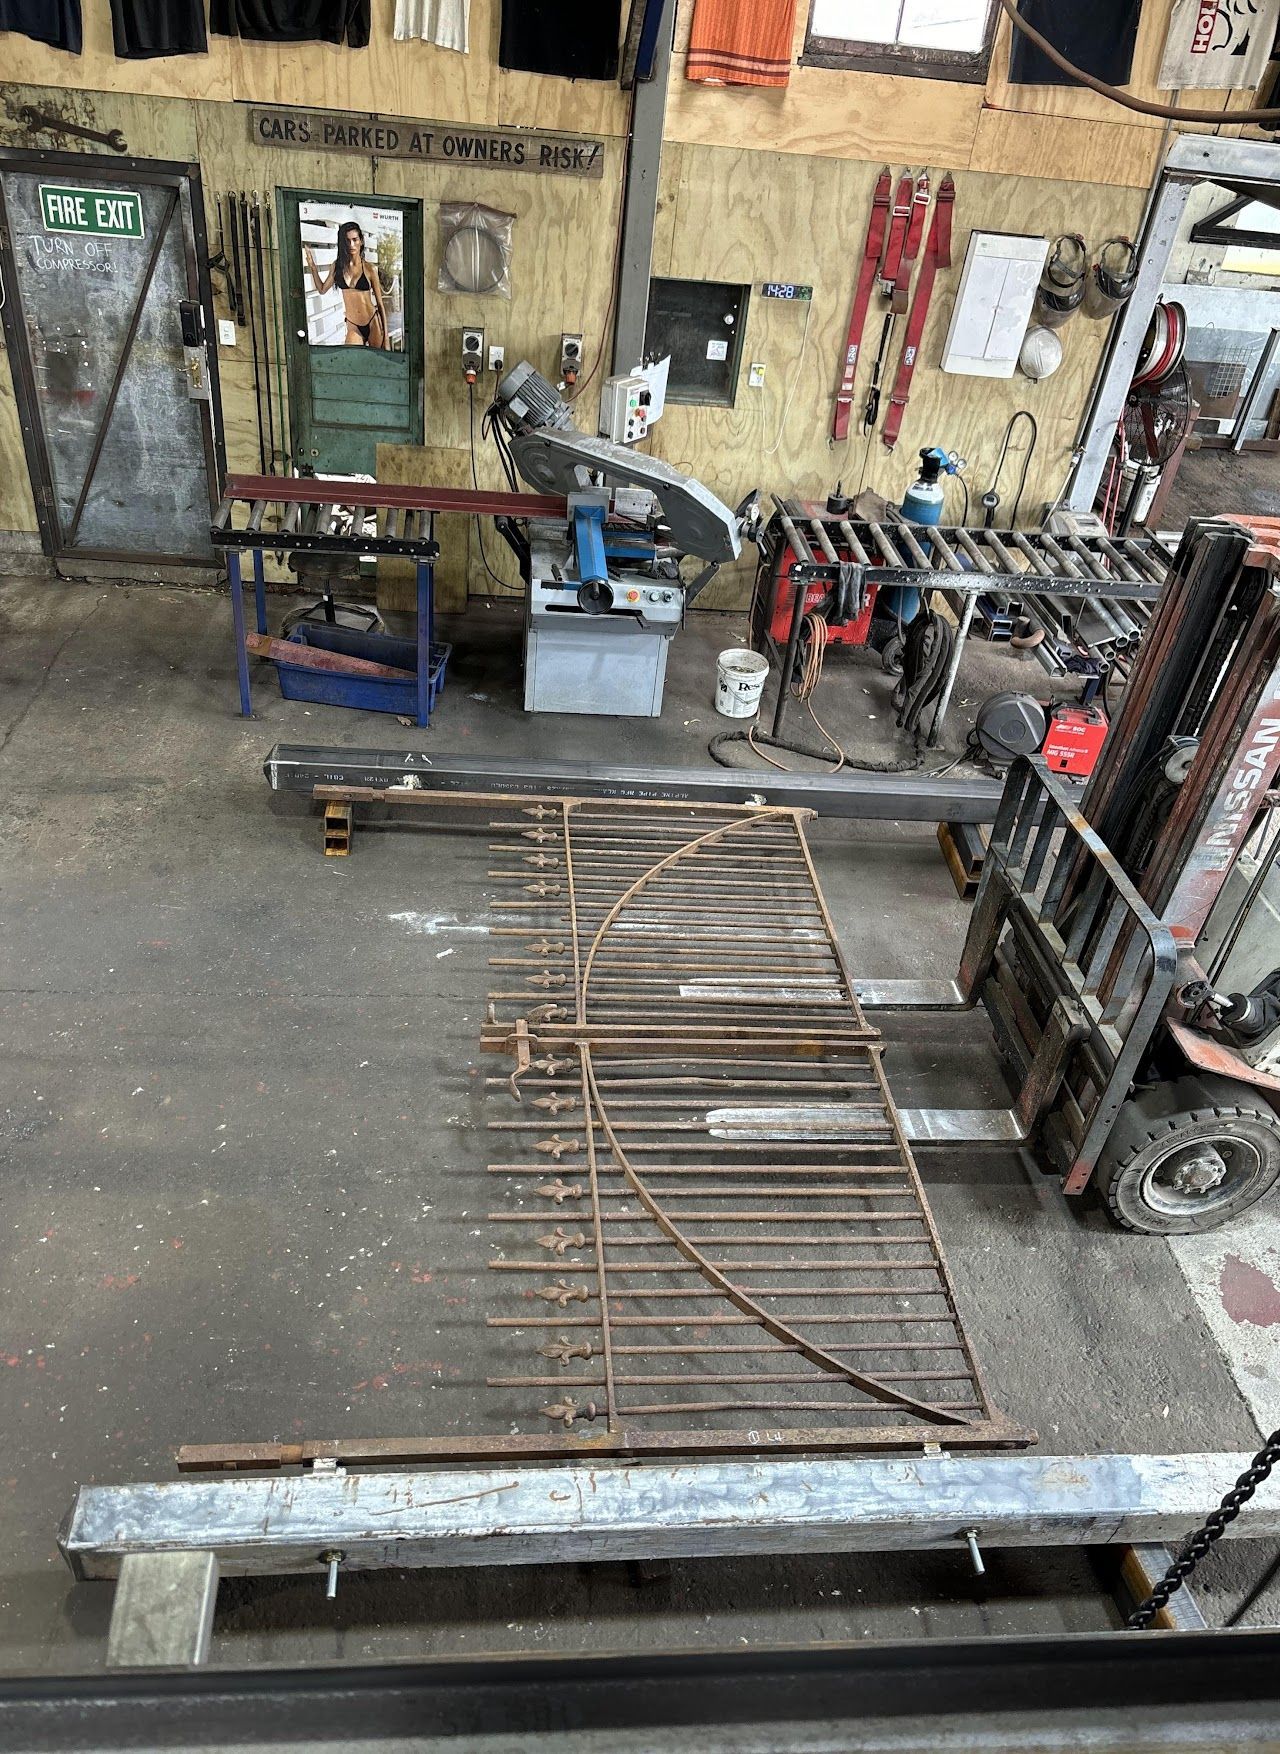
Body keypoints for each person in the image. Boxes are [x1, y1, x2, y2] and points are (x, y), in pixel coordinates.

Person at [304, 220, 390, 349]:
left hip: (373, 322)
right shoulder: (337, 267)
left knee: (376, 364)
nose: (351, 244)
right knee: (352, 361)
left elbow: (380, 304)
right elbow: (322, 289)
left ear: (361, 241)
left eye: (355, 239)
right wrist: (312, 266)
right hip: (353, 325)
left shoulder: (369, 269)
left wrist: (387, 339)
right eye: (347, 241)